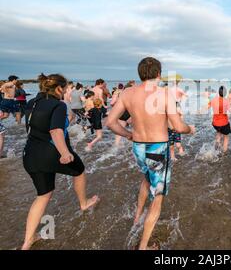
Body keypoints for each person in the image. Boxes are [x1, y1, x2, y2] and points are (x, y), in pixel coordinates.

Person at [106, 57, 195, 250]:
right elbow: (178, 126)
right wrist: (191, 129)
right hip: (158, 149)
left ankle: (137, 216)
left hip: (138, 147)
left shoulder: (128, 93)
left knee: (146, 179)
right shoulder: (164, 94)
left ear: (140, 73)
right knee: (158, 197)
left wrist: (129, 135)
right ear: (158, 74)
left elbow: (110, 122)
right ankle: (143, 247)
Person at [22, 74, 99, 250]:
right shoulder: (58, 104)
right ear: (58, 89)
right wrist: (65, 153)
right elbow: (56, 130)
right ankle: (84, 203)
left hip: (30, 154)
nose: (66, 93)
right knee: (79, 171)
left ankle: (28, 240)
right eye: (64, 90)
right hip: (52, 152)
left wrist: (65, 113)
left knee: (43, 194)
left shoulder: (32, 102)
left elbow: (44, 123)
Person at [210, 86, 231, 153]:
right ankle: (224, 153)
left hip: (215, 123)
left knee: (219, 133)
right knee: (226, 137)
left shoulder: (213, 100)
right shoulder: (226, 101)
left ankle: (216, 147)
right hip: (224, 123)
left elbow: (206, 107)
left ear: (219, 92)